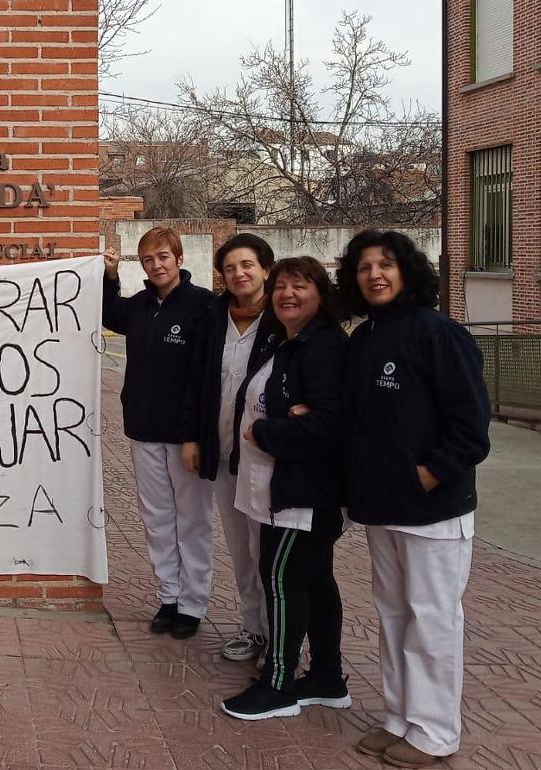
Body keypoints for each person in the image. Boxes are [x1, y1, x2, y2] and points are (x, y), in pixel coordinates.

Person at [338, 231, 490, 768]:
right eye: (364, 267)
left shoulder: (439, 334)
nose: (375, 275)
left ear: (408, 271)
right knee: (394, 615)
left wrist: (428, 475)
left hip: (433, 511)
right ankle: (400, 716)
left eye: (386, 264)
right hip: (381, 508)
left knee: (432, 619)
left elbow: (472, 428)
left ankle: (436, 732)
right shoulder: (364, 339)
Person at [219, 256, 350, 721]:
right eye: (280, 288)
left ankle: (278, 684)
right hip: (277, 489)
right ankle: (328, 678)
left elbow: (330, 424)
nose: (287, 295)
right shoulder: (290, 342)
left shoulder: (324, 347)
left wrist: (268, 432)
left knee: (280, 581)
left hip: (303, 494)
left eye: (300, 286)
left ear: (321, 293)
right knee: (314, 582)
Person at [102, 227, 215, 639]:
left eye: (163, 257)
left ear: (179, 258)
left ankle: (192, 603)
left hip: (186, 436)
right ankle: (168, 597)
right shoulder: (141, 305)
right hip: (144, 429)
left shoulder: (204, 306)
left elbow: (204, 378)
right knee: (157, 518)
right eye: (148, 259)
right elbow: (108, 313)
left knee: (193, 521)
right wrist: (110, 276)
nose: (157, 265)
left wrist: (194, 435)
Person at [179, 234, 275, 662]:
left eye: (248, 265)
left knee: (267, 551)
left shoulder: (282, 320)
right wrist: (192, 437)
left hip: (268, 459)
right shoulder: (213, 319)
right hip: (222, 452)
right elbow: (195, 383)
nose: (240, 274)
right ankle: (254, 628)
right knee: (240, 548)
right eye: (231, 267)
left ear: (266, 270)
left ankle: (281, 636)